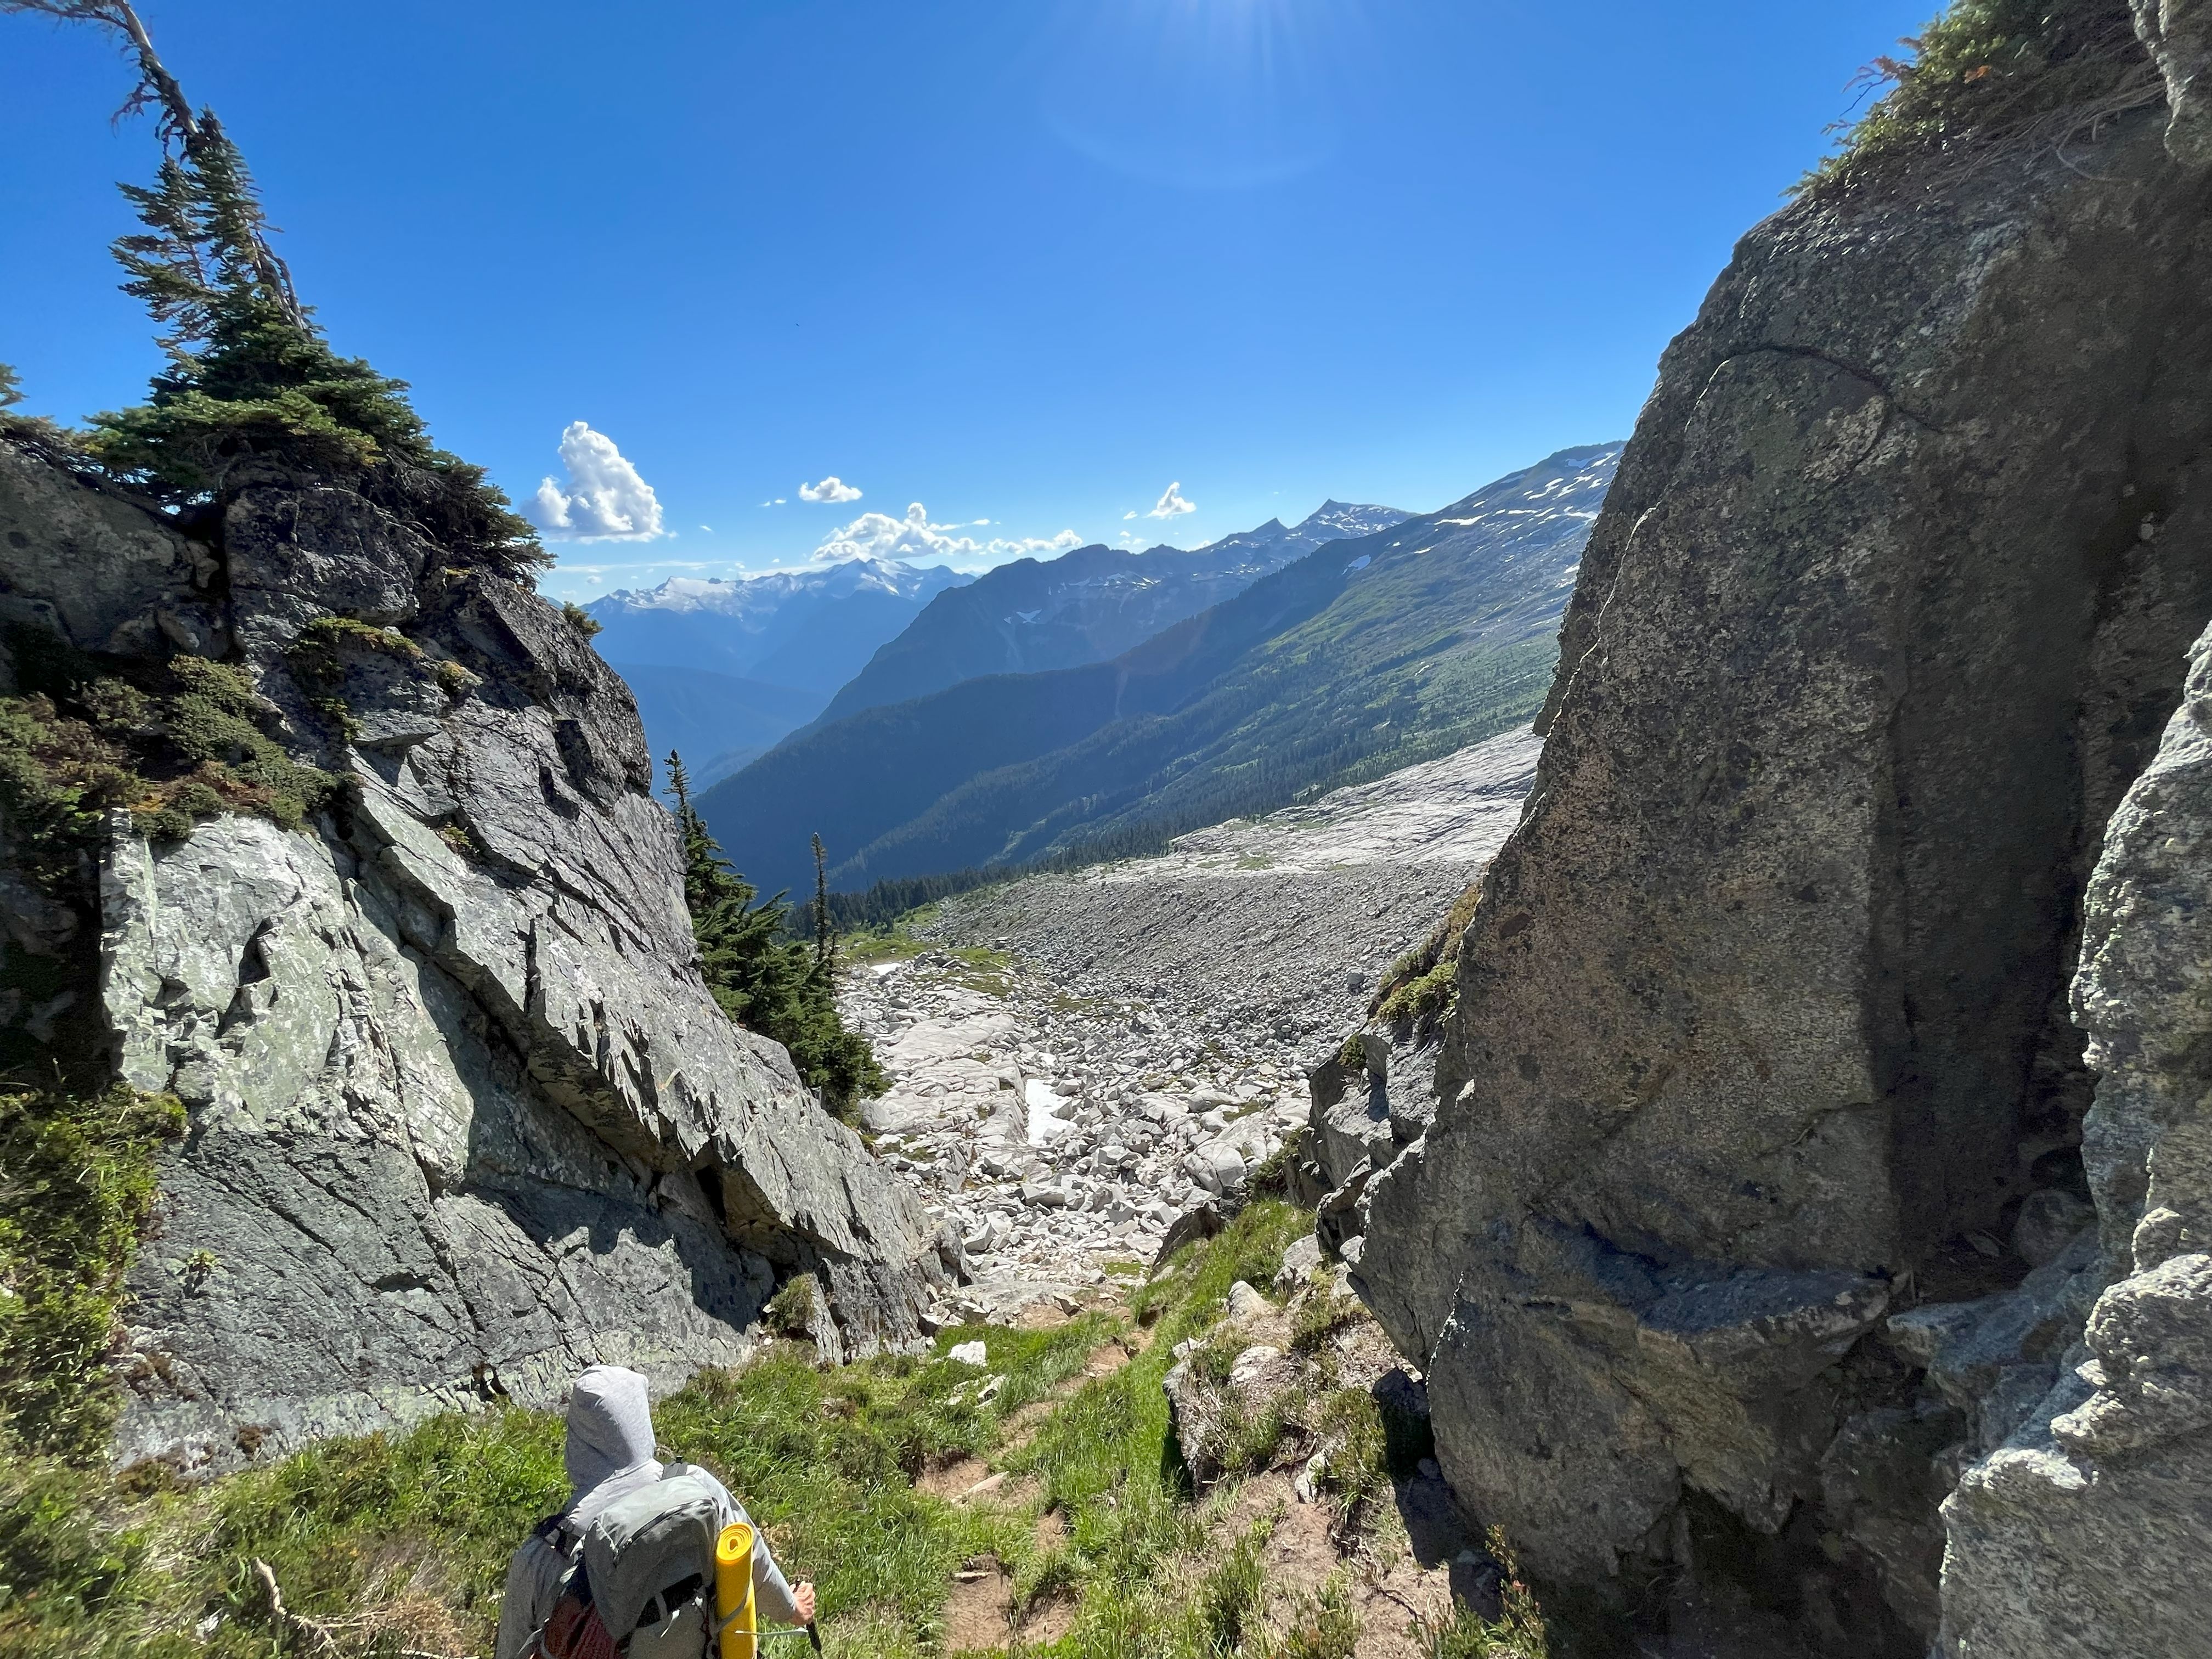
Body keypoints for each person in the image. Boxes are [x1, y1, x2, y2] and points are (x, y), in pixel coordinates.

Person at [494, 1365, 815, 1659]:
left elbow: (511, 1651)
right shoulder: (694, 1487)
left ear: (577, 1442)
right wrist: (793, 1609)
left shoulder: (542, 1555)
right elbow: (752, 1559)